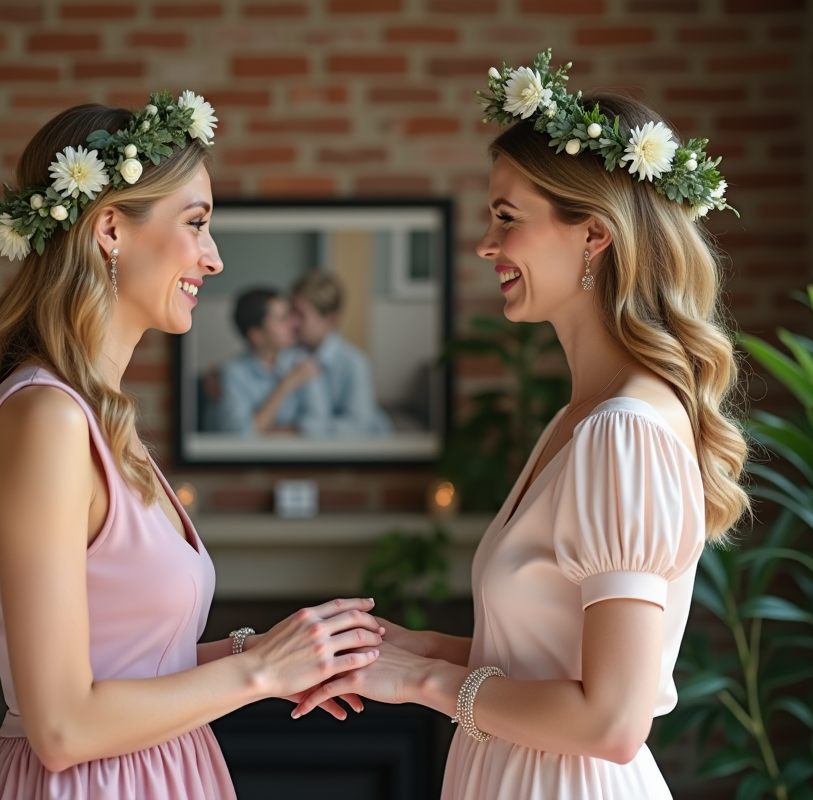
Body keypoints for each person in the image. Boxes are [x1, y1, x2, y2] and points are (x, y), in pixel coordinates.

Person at [292, 52, 750, 799]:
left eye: (507, 219)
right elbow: (541, 658)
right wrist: (406, 647)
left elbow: (612, 720)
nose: (486, 244)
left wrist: (420, 682)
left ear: (594, 236)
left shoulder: (624, 431)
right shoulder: (577, 420)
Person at [0, 98, 383, 800]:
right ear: (111, 228)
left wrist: (268, 652)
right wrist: (260, 672)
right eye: (197, 223)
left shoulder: (100, 418)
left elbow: (132, 665)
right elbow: (61, 728)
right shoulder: (48, 419)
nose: (215, 257)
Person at [290, 271, 392, 435]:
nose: (292, 322)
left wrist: (300, 430)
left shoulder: (354, 363)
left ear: (330, 319)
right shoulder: (290, 354)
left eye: (301, 315)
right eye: (291, 312)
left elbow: (358, 426)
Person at [218, 287, 330, 436]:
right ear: (256, 335)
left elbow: (319, 428)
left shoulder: (302, 361)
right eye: (282, 319)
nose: (293, 323)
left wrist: (263, 431)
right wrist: (286, 385)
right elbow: (241, 435)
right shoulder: (234, 372)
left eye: (289, 315)